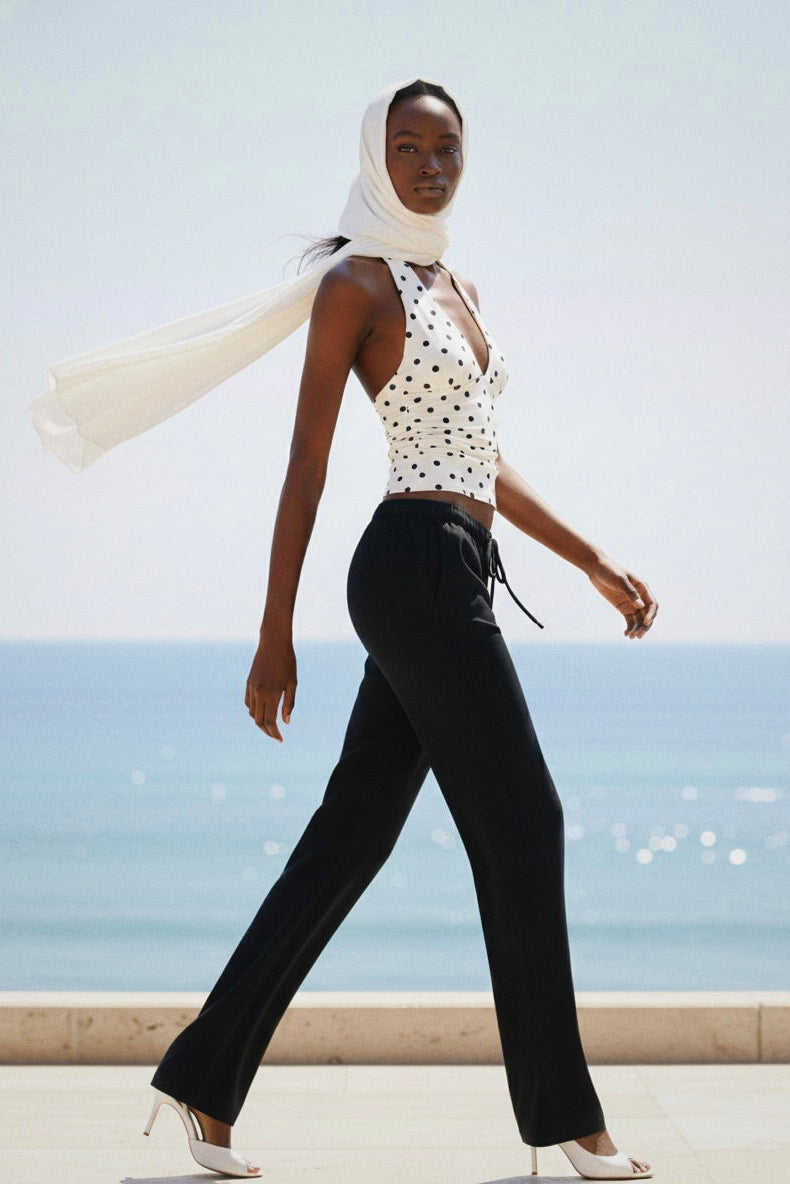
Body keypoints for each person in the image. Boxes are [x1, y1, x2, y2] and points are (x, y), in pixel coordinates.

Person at [141, 78, 657, 1180]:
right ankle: (569, 1119)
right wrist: (273, 632)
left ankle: (202, 1079)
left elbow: (481, 459)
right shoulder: (356, 285)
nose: (430, 165)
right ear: (375, 157)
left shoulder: (455, 286)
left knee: (353, 834)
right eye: (408, 146)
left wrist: (591, 558)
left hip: (454, 563)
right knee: (525, 818)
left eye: (446, 147)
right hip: (412, 569)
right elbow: (307, 462)